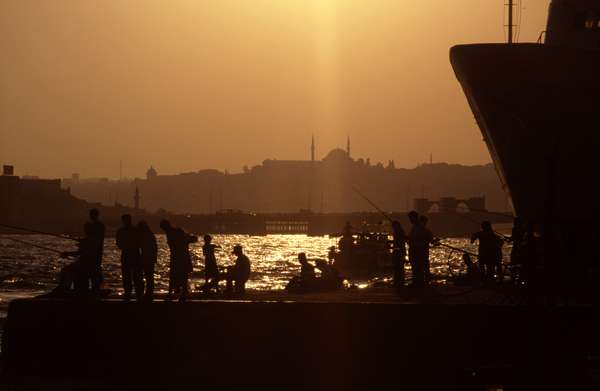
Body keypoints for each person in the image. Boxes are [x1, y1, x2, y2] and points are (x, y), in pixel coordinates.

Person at [55, 223, 97, 296]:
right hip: (85, 263)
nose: (85, 230)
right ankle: (66, 288)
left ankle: (65, 288)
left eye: (86, 229)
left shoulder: (89, 240)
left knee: (66, 269)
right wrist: (67, 254)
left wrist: (67, 254)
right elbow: (79, 253)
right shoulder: (90, 240)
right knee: (68, 268)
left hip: (85, 265)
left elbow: (79, 253)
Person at [160, 219, 198, 301]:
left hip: (179, 257)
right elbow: (190, 239)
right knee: (180, 276)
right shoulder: (175, 232)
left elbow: (185, 240)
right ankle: (179, 293)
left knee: (177, 276)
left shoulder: (173, 233)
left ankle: (177, 293)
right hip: (180, 257)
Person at [116, 214, 143, 301]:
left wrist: (126, 245)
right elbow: (140, 243)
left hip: (127, 254)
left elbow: (119, 244)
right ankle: (138, 294)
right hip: (134, 254)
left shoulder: (121, 231)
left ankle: (128, 293)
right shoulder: (136, 230)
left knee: (128, 275)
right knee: (136, 276)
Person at [408, 211, 434, 289]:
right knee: (417, 269)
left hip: (419, 252)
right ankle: (418, 284)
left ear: (414, 217)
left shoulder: (421, 228)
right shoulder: (415, 227)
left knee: (418, 269)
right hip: (415, 251)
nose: (410, 220)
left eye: (410, 218)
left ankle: (419, 285)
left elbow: (427, 238)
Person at [138, 221, 157, 300]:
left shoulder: (145, 235)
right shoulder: (150, 234)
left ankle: (148, 293)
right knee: (149, 276)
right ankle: (149, 292)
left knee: (148, 276)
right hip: (148, 258)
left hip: (147, 258)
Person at [87, 208, 105, 292]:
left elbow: (95, 239)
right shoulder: (99, 225)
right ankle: (98, 287)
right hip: (95, 251)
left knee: (95, 270)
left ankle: (97, 288)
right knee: (95, 270)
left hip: (95, 252)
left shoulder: (98, 226)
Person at [391, 220, 407, 288]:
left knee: (398, 267)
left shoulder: (398, 232)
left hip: (399, 251)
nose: (393, 228)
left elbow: (398, 241)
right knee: (399, 267)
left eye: (393, 227)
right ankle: (399, 282)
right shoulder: (401, 231)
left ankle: (398, 282)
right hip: (400, 251)